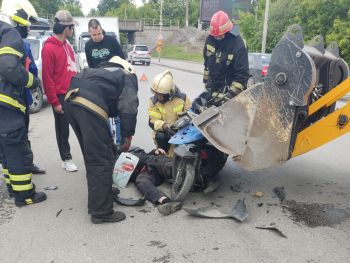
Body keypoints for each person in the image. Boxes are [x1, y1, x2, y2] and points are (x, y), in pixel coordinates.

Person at [64, 56, 139, 224]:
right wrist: (127, 135)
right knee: (100, 158)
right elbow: (128, 107)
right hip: (90, 103)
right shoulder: (126, 76)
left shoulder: (100, 72)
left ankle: (102, 192)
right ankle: (101, 210)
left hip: (71, 99)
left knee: (93, 152)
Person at [0, 0, 47, 206]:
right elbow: (10, 67)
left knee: (6, 149)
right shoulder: (11, 34)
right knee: (16, 149)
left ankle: (12, 188)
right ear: (19, 17)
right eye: (28, 23)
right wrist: (32, 81)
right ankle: (24, 196)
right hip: (8, 105)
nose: (28, 28)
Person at [42, 10, 78, 172]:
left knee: (78, 126)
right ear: (66, 29)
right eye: (71, 27)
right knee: (63, 129)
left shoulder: (67, 45)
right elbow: (47, 78)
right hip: (60, 95)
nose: (72, 30)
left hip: (73, 92)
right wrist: (55, 102)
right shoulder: (49, 48)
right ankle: (66, 158)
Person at [201, 10, 249, 105]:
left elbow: (242, 75)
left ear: (228, 30)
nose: (217, 38)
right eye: (215, 36)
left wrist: (229, 96)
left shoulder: (238, 43)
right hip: (212, 90)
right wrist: (206, 86)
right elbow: (207, 64)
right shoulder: (210, 39)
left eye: (220, 35)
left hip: (230, 94)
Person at [117, 147, 182, 216]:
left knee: (165, 166)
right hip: (143, 173)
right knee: (142, 182)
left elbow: (147, 154)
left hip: (153, 160)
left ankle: (185, 173)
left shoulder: (133, 150)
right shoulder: (111, 163)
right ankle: (166, 202)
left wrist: (155, 151)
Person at [21, 21, 46, 175]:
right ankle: (26, 164)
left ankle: (20, 165)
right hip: (21, 99)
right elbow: (33, 72)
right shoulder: (24, 46)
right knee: (22, 133)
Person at [148, 70, 191, 153]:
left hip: (181, 135)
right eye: (156, 93)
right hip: (164, 136)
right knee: (161, 137)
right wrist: (164, 126)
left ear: (170, 92)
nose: (158, 96)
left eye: (160, 94)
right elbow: (152, 121)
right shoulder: (153, 102)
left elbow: (190, 114)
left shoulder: (183, 99)